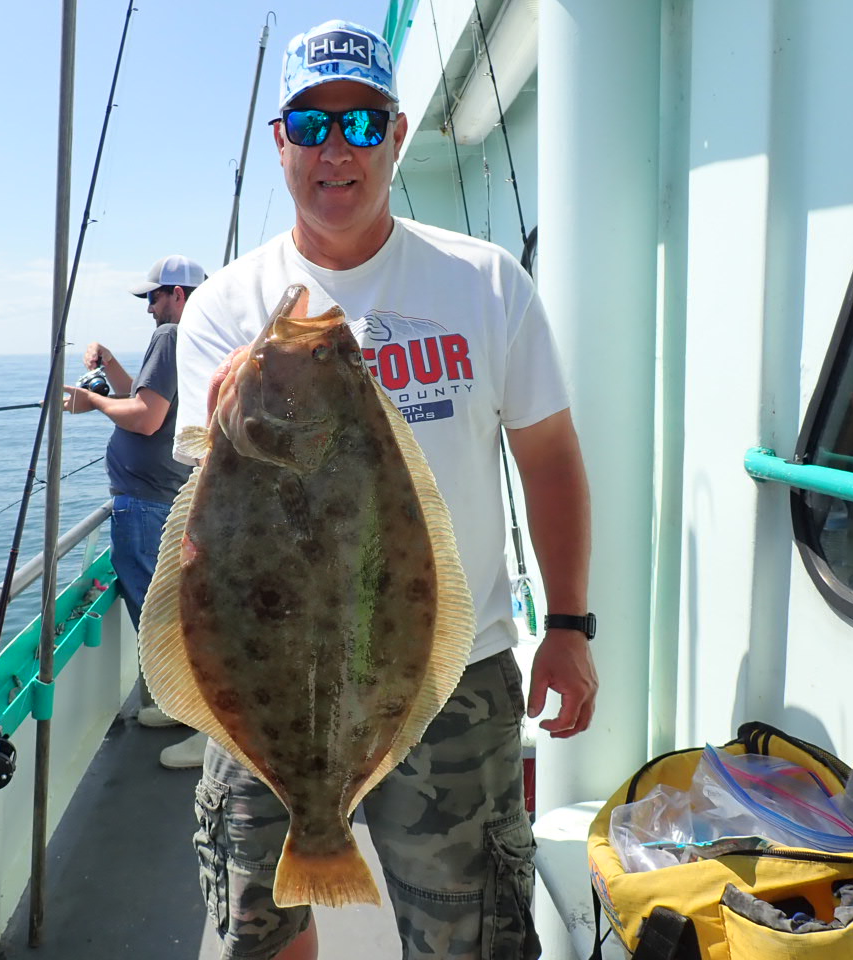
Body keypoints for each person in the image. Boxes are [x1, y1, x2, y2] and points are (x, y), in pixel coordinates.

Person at [172, 20, 598, 960]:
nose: (337, 148)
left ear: (398, 137)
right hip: (269, 688)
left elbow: (552, 460)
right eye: (311, 125)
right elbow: (217, 539)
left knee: (472, 936)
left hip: (452, 672)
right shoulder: (222, 309)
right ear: (278, 142)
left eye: (363, 124)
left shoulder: (486, 284)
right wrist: (228, 433)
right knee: (257, 934)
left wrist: (567, 627)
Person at [63, 253, 211, 771]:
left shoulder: (171, 336)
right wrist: (107, 370)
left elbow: (146, 419)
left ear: (179, 295)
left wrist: (91, 402)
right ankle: (181, 707)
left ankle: (208, 732)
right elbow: (145, 395)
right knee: (169, 612)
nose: (148, 308)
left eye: (154, 296)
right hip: (159, 499)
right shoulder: (191, 338)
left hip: (147, 504)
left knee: (166, 618)